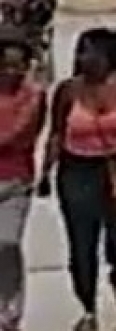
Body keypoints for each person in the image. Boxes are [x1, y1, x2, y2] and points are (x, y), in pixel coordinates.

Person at [37, 29, 116, 331]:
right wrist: (45, 173)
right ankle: (88, 308)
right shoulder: (67, 91)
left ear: (107, 57)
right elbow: (56, 133)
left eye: (91, 52)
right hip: (76, 170)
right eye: (81, 52)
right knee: (81, 242)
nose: (84, 58)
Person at [0, 29, 45, 331]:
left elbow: (20, 134)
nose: (11, 71)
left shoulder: (34, 97)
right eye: (5, 65)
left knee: (7, 242)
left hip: (15, 179)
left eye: (18, 65)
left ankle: (10, 310)